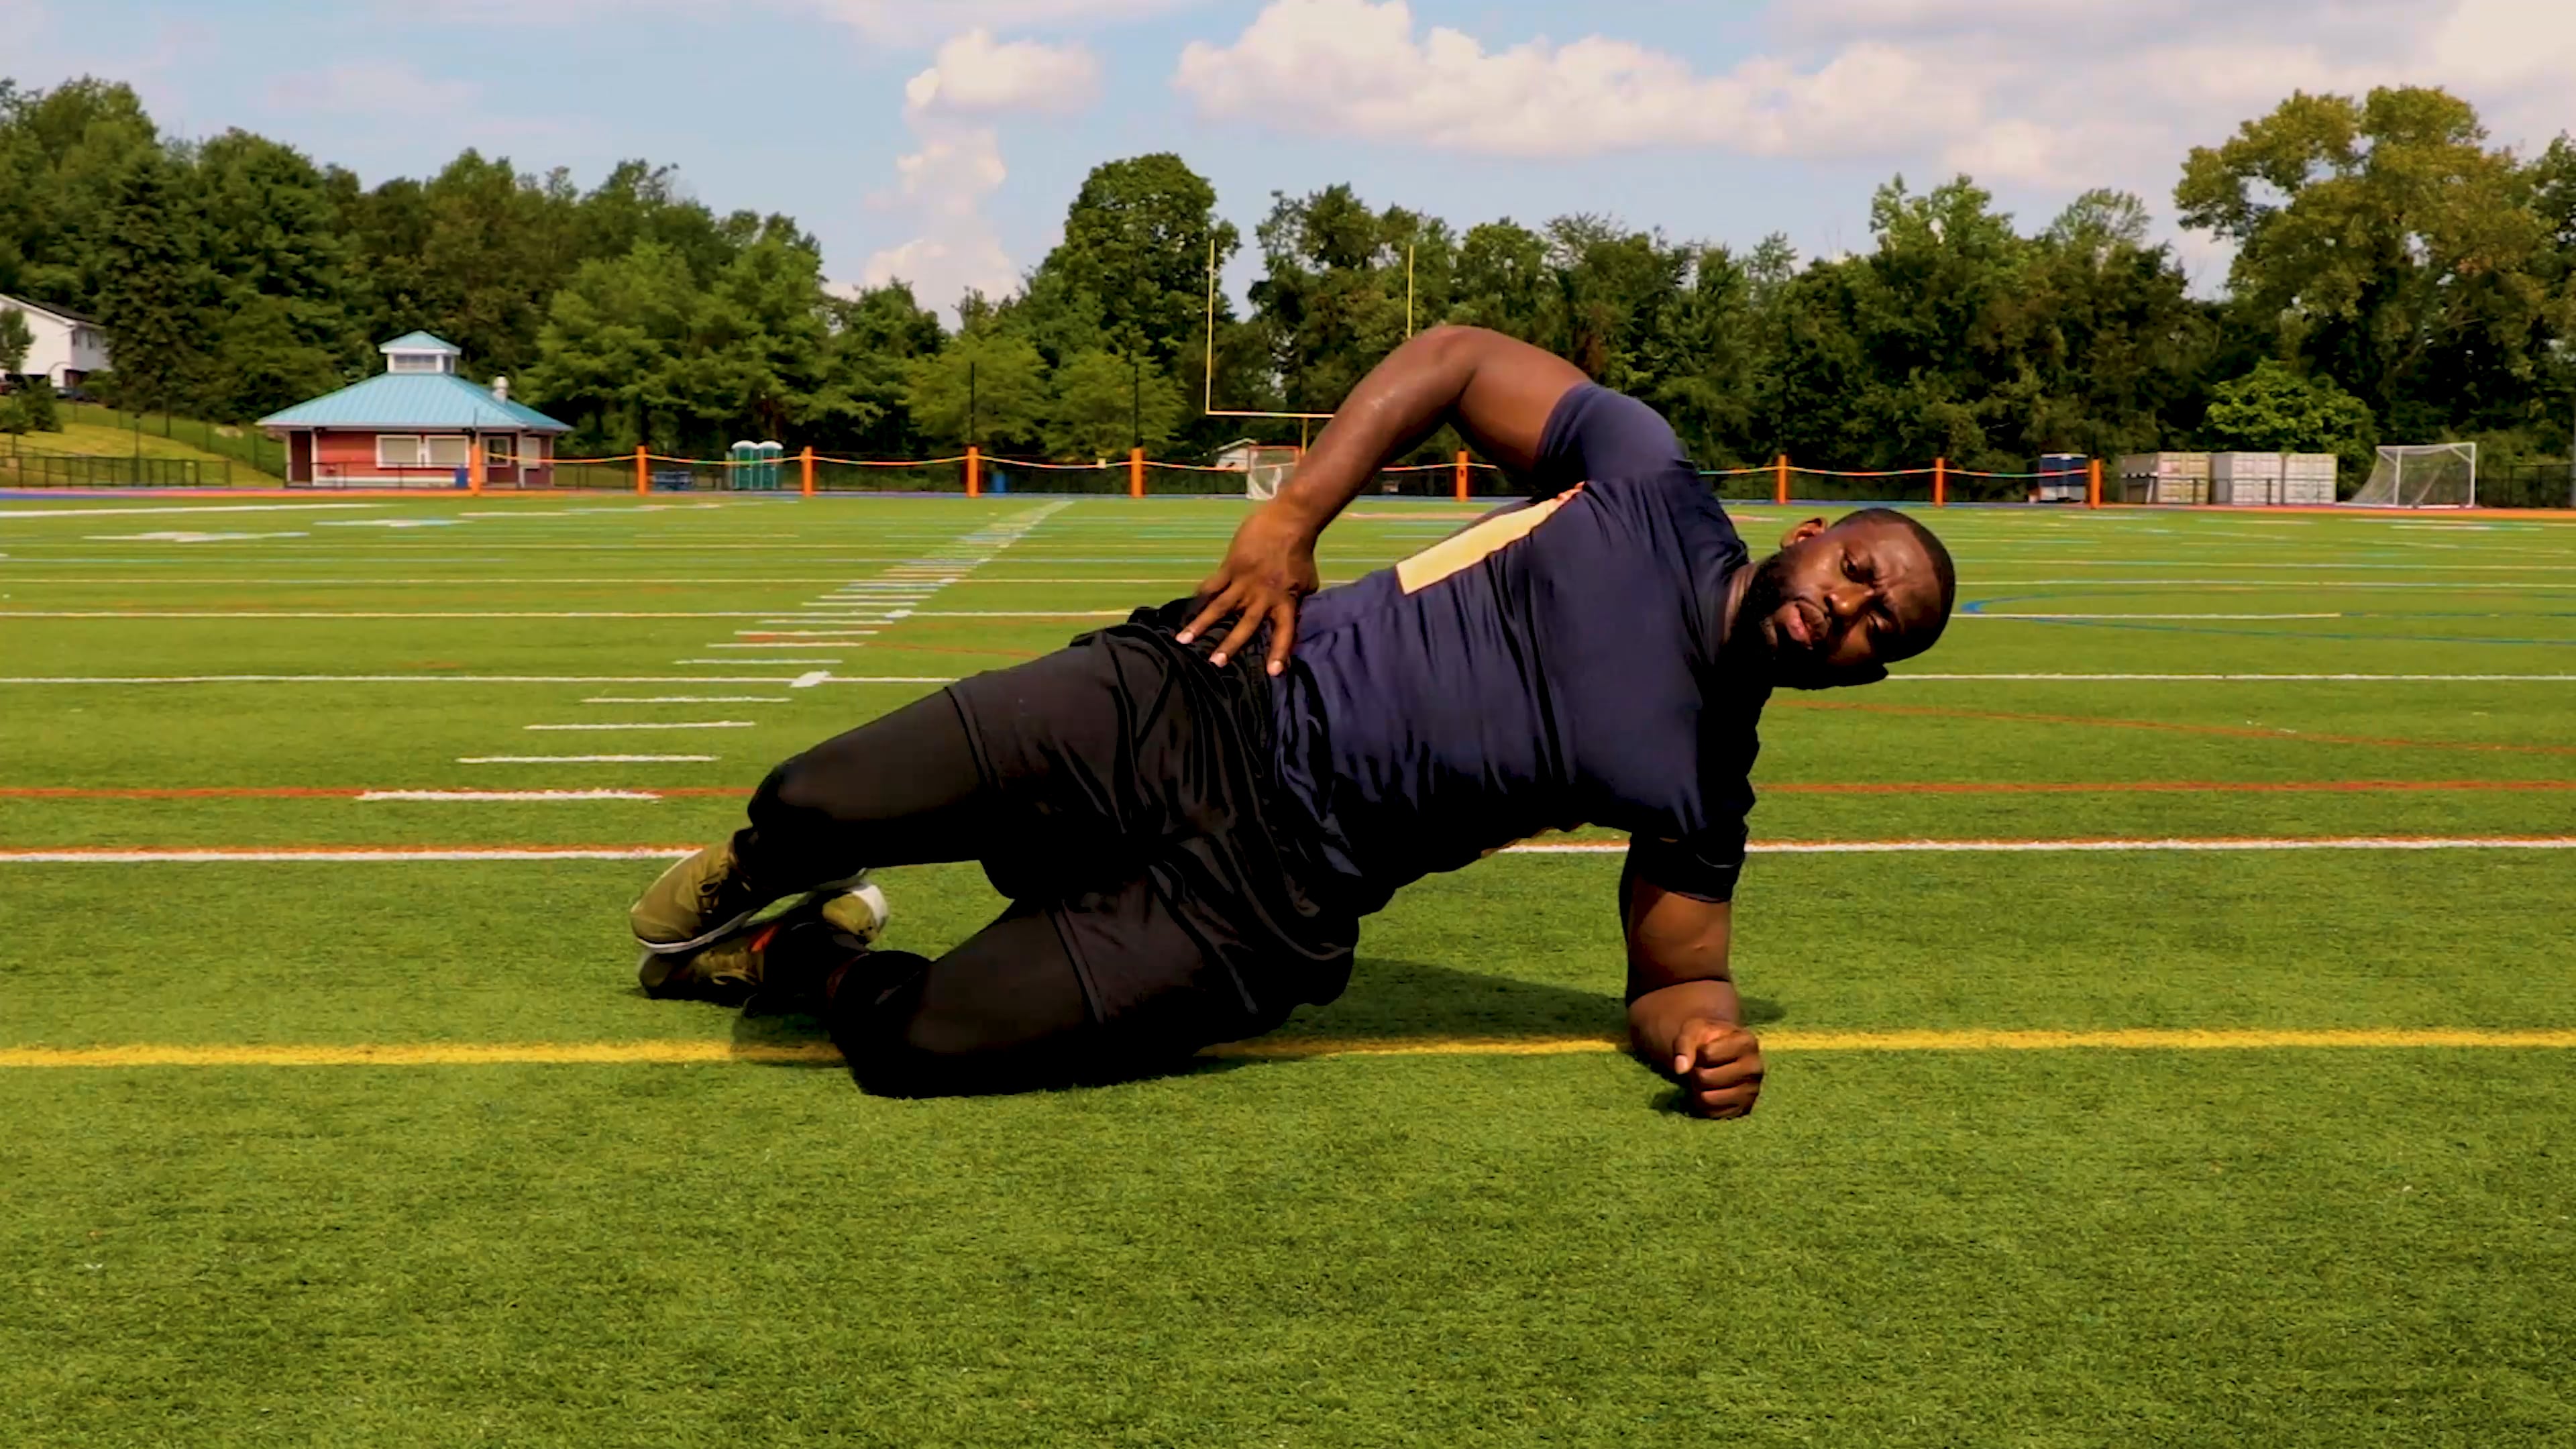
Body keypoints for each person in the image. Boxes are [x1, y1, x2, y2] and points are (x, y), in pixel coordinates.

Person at [627, 325, 1955, 1118]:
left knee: (918, 1048)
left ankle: (798, 960)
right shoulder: (1647, 484)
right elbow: (1454, 360)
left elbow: (1678, 978)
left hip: (1270, 894)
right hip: (1208, 690)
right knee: (808, 797)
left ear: (1865, 675)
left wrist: (1704, 1045)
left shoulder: (1700, 784)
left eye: (1877, 629)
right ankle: (766, 870)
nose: (1849, 614)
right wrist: (1288, 518)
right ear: (1816, 535)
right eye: (1859, 575)